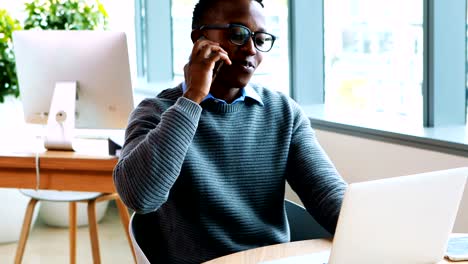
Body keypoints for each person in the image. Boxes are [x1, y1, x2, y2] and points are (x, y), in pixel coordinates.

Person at [113, 0, 347, 263]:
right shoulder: (156, 112)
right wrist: (192, 99)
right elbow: (140, 198)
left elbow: (329, 197)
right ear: (200, 38)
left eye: (260, 39)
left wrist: (378, 231)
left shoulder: (282, 112)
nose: (250, 48)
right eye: (237, 34)